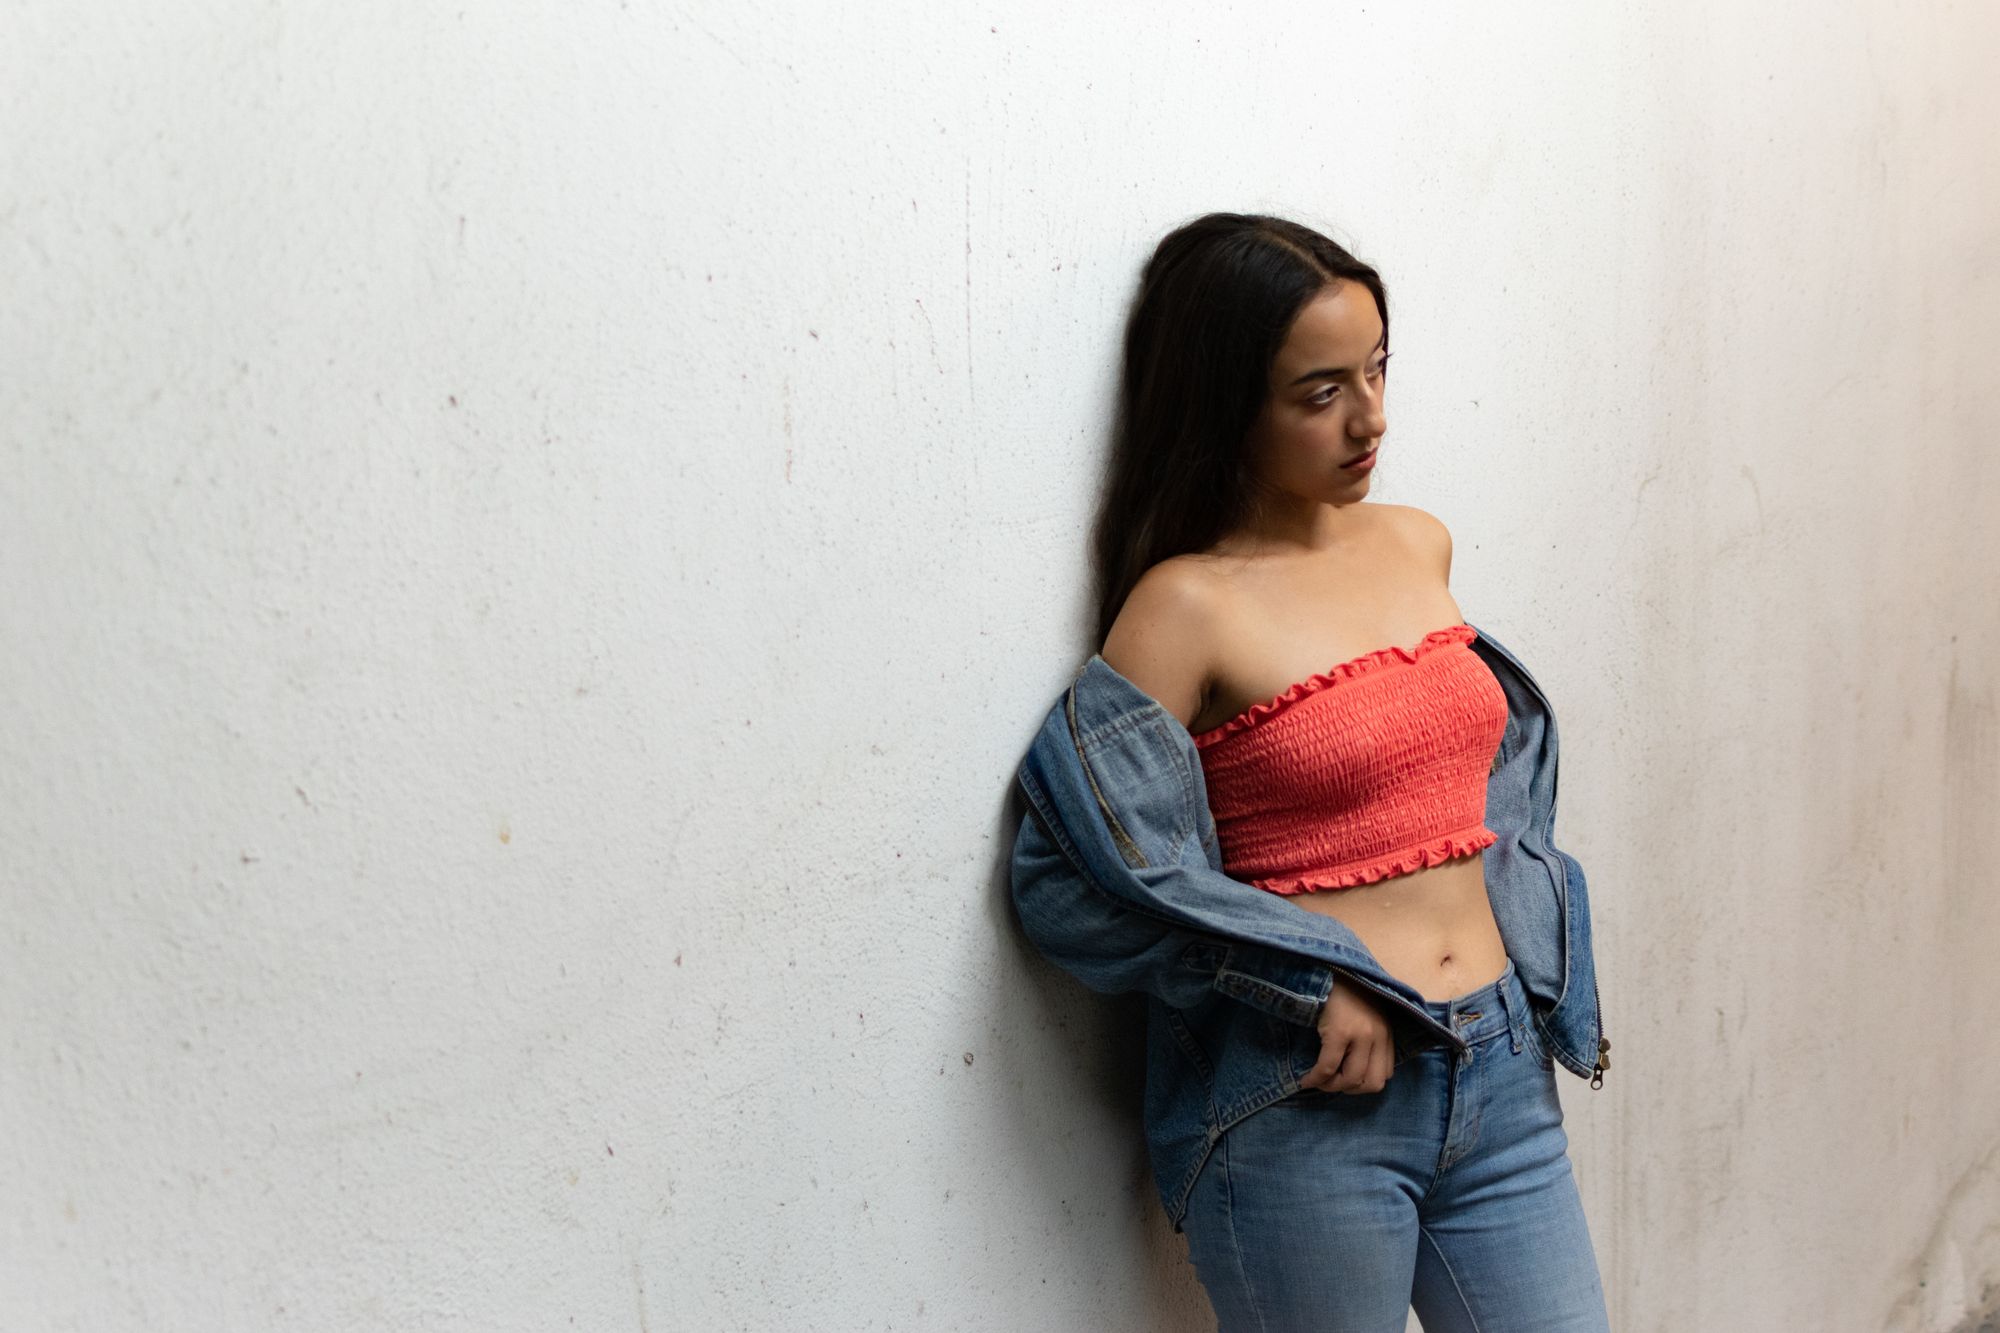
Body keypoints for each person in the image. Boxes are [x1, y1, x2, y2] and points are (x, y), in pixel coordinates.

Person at [1012, 212, 1611, 1331]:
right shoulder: (1185, 607)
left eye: (1377, 369)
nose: (1369, 417)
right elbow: (1064, 885)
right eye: (1320, 392)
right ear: (1225, 404)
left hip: (1498, 1062)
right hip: (1310, 1098)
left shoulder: (1417, 541)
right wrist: (1301, 980)